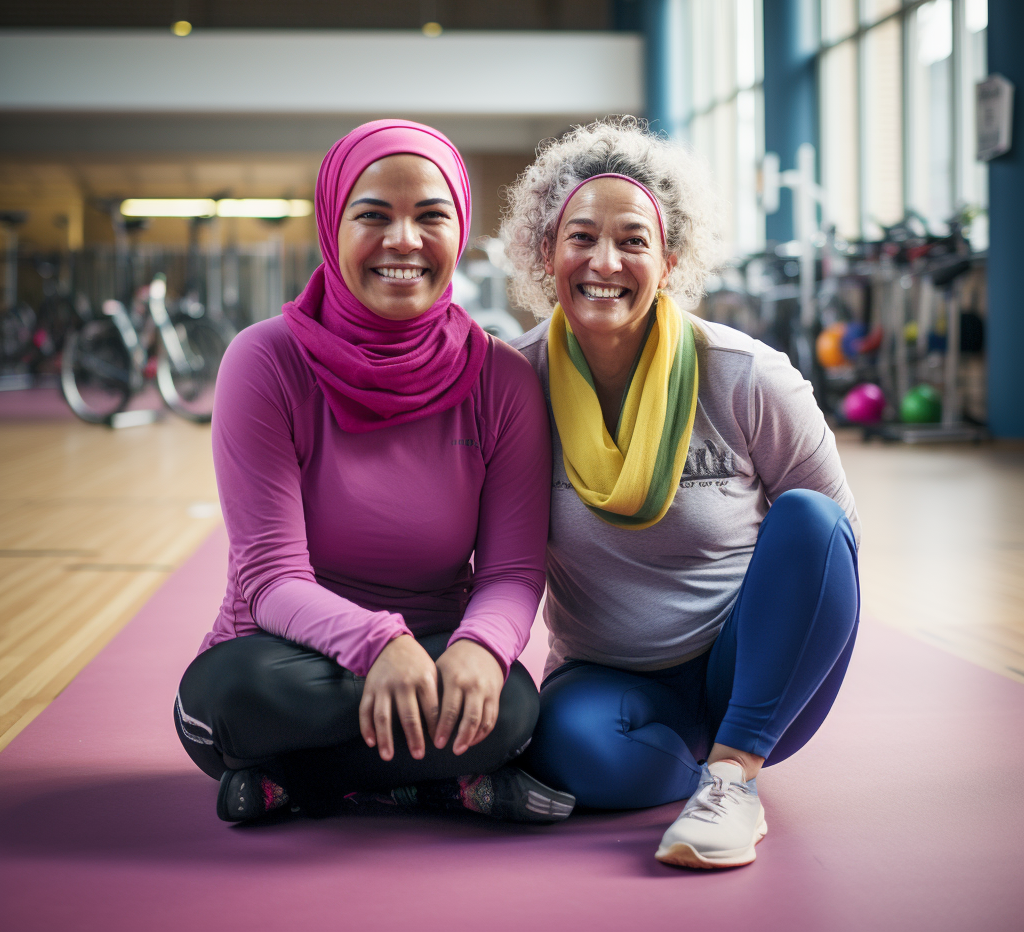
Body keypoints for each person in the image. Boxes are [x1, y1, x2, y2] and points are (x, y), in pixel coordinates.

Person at [174, 119, 574, 826]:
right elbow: (272, 581)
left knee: (511, 707)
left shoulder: (502, 379)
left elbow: (511, 573)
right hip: (288, 660)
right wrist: (377, 643)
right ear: (333, 227)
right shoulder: (264, 362)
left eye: (430, 217)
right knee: (233, 700)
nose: (404, 242)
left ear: (460, 230)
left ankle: (297, 782)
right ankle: (430, 781)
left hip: (433, 657)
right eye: (373, 216)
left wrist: (480, 650)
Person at [503, 117, 860, 868]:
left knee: (811, 519)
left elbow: (836, 543)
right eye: (582, 237)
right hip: (609, 679)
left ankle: (733, 776)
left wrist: (768, 680)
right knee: (570, 754)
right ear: (547, 252)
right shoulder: (512, 384)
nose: (606, 260)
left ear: (669, 259)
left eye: (633, 239)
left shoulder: (744, 375)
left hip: (749, 666)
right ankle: (704, 764)